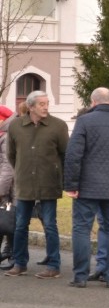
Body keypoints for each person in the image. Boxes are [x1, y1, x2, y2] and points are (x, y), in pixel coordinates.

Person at [64, 88, 109, 288]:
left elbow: (73, 155)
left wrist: (71, 184)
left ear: (93, 102)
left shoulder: (84, 122)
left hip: (87, 187)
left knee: (81, 229)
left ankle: (80, 276)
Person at [5, 91, 68, 279]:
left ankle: (54, 265)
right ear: (31, 107)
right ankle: (20, 263)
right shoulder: (16, 126)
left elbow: (65, 154)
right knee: (20, 225)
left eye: (47, 103)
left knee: (50, 225)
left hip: (49, 182)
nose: (45, 107)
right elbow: (11, 154)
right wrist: (22, 170)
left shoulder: (58, 126)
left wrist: (60, 176)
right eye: (41, 104)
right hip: (24, 183)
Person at [0, 105, 16, 269]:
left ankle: (12, 255)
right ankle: (9, 253)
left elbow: (7, 166)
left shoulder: (6, 137)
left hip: (9, 188)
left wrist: (1, 190)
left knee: (9, 222)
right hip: (6, 186)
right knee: (7, 221)